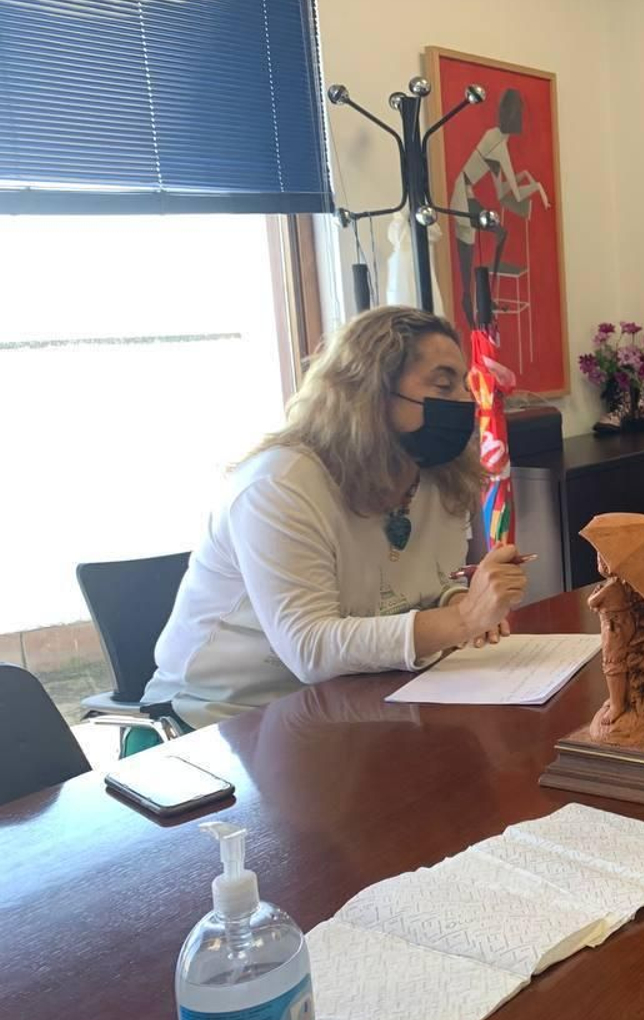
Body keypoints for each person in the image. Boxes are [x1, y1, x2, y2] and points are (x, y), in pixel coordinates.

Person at [144, 307, 528, 729]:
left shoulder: (439, 475)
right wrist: (462, 618)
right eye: (443, 383)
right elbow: (311, 648)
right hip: (222, 723)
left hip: (357, 703)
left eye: (463, 384)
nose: (465, 401)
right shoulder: (279, 485)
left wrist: (456, 599)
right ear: (372, 390)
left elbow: (424, 585)